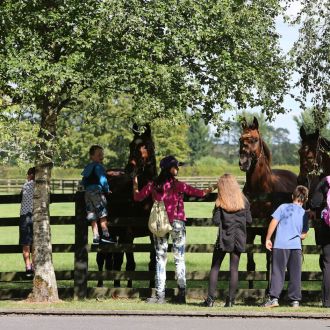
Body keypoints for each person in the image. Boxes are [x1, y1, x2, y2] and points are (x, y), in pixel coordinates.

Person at [133, 155, 216, 304]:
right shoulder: (179, 185)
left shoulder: (154, 185)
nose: (177, 169)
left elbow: (138, 197)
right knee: (179, 258)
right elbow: (201, 193)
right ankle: (181, 293)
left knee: (160, 258)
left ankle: (160, 295)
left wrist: (135, 184)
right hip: (177, 223)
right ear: (169, 169)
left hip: (160, 224)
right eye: (175, 166)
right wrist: (213, 188)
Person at [202, 173, 252, 307]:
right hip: (239, 238)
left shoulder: (220, 202)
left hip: (224, 239)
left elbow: (216, 220)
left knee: (215, 268)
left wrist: (215, 209)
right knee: (234, 269)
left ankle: (210, 300)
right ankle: (230, 301)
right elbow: (249, 220)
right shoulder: (244, 201)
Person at [261, 185, 309, 308]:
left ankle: (274, 299)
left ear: (292, 196)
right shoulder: (304, 213)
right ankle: (295, 301)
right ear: (305, 199)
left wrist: (267, 238)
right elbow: (303, 235)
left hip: (281, 245)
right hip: (296, 247)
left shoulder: (283, 207)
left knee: (278, 272)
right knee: (295, 274)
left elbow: (273, 222)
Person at [81, 145, 116, 245]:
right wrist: (107, 189)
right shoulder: (98, 166)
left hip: (87, 194)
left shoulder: (88, 167)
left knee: (92, 215)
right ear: (91, 156)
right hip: (97, 193)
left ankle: (96, 237)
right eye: (99, 154)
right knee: (102, 214)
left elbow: (83, 181)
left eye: (102, 154)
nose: (101, 156)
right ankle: (106, 235)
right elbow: (103, 180)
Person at [309, 177, 330, 308]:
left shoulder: (326, 181)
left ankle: (327, 301)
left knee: (328, 264)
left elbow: (315, 202)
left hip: (328, 228)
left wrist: (311, 207)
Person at [19, 167, 35, 277]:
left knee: (25, 243)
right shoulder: (40, 187)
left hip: (24, 216)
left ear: (29, 175)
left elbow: (21, 196)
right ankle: (34, 265)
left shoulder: (25, 185)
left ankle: (28, 266)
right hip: (35, 216)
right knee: (35, 243)